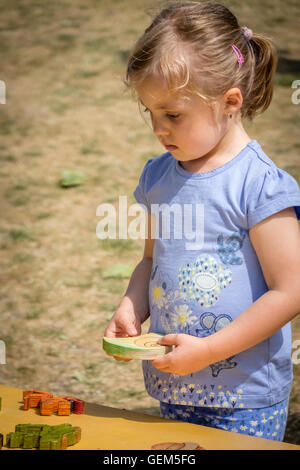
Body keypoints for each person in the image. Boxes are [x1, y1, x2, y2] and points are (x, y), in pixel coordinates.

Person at [104, 1, 300, 441]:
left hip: (244, 395)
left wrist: (209, 351)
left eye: (172, 114)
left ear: (230, 102)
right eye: (149, 111)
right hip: (174, 382)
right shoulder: (158, 175)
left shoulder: (260, 185)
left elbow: (290, 291)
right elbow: (150, 260)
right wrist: (132, 307)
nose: (158, 127)